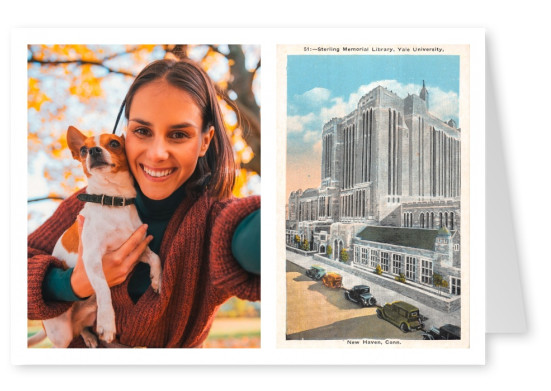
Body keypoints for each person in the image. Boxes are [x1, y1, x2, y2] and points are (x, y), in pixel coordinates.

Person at [27, 58, 260, 348]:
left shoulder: (214, 220)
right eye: (142, 131)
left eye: (178, 134)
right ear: (125, 135)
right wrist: (72, 284)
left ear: (204, 141)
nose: (156, 153)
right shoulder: (83, 204)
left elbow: (253, 239)